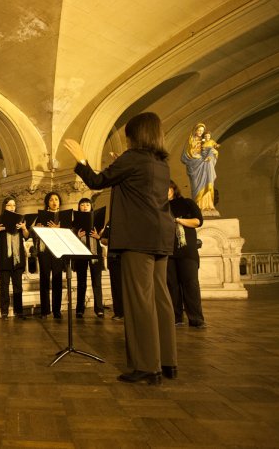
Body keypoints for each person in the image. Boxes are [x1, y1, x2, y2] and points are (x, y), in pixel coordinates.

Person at [64, 112, 177, 385]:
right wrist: (121, 166)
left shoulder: (133, 158)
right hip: (161, 235)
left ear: (135, 135)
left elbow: (96, 182)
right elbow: (137, 186)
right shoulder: (161, 164)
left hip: (137, 237)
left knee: (139, 301)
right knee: (161, 297)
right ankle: (167, 361)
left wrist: (81, 159)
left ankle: (147, 367)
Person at [167, 180, 206, 328]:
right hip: (169, 251)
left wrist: (177, 220)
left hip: (187, 251)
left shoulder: (187, 203)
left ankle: (196, 319)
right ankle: (176, 318)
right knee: (172, 286)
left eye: (167, 188)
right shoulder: (160, 207)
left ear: (173, 188)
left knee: (191, 285)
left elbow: (197, 221)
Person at [0, 197, 29, 319]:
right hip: (4, 258)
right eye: (9, 205)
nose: (12, 207)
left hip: (17, 258)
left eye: (13, 205)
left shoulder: (20, 219)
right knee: (4, 285)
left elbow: (26, 236)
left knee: (18, 286)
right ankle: (4, 311)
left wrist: (24, 228)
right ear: (4, 207)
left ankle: (19, 311)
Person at [34, 192, 65, 319]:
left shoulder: (64, 217)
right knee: (45, 279)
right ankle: (45, 310)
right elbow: (35, 233)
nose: (54, 202)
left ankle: (57, 310)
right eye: (51, 199)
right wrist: (38, 229)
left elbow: (70, 235)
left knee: (57, 280)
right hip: (45, 251)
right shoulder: (41, 216)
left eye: (56, 199)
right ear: (47, 202)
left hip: (58, 250)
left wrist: (59, 229)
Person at [73, 198, 105, 319]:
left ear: (91, 206)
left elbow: (102, 236)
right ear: (79, 207)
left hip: (95, 252)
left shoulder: (97, 219)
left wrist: (98, 236)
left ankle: (99, 309)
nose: (85, 206)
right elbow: (71, 237)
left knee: (97, 282)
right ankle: (80, 309)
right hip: (80, 253)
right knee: (81, 282)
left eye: (87, 204)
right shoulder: (75, 221)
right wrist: (77, 236)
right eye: (82, 205)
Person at [181, 122, 218, 212]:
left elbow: (210, 151)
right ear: (195, 130)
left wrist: (213, 153)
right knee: (196, 186)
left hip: (205, 166)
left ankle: (208, 206)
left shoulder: (205, 141)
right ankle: (198, 206)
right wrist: (193, 155)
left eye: (202, 131)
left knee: (208, 182)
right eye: (199, 130)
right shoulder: (190, 141)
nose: (200, 132)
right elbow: (183, 157)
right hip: (195, 167)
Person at [100, 222, 124, 321]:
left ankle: (129, 312)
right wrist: (114, 241)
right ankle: (118, 312)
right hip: (113, 258)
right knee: (115, 287)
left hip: (126, 258)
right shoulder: (111, 222)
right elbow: (103, 240)